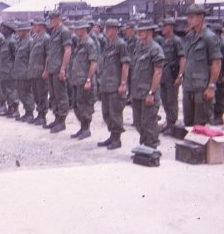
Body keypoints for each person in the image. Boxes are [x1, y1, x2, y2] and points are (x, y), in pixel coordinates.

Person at [182, 4, 223, 126]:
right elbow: (187, 59)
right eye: (188, 17)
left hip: (202, 88)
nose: (188, 20)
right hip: (188, 86)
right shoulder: (190, 36)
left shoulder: (210, 38)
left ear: (201, 18)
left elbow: (216, 62)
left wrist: (211, 87)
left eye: (192, 17)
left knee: (202, 125)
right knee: (188, 124)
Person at [131, 20, 165, 147]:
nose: (139, 33)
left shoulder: (155, 49)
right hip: (137, 92)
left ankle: (152, 147)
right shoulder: (139, 47)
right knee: (138, 122)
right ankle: (146, 144)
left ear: (150, 31)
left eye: (142, 31)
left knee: (149, 122)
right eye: (138, 31)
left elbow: (157, 72)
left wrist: (151, 92)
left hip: (148, 93)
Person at [97, 19, 130, 150]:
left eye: (110, 28)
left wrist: (123, 83)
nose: (106, 31)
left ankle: (117, 139)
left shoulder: (120, 44)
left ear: (116, 30)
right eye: (106, 28)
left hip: (115, 85)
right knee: (106, 113)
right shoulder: (108, 44)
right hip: (106, 84)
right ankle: (112, 136)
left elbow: (125, 64)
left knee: (115, 113)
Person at [43, 10, 72, 133]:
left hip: (58, 69)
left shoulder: (64, 32)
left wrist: (63, 69)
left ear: (58, 18)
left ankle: (62, 121)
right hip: (52, 69)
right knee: (53, 96)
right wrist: (46, 69)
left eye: (52, 19)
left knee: (61, 95)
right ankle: (56, 118)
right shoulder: (54, 32)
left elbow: (67, 51)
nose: (50, 21)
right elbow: (50, 53)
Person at [69, 20, 98, 140]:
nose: (75, 31)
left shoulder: (89, 43)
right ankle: (82, 128)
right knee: (77, 105)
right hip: (77, 79)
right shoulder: (80, 43)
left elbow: (93, 62)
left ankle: (86, 129)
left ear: (84, 29)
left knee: (85, 105)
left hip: (84, 80)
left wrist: (88, 80)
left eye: (78, 29)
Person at [159, 18, 186, 134]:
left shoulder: (177, 41)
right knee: (164, 99)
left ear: (170, 27)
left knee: (172, 100)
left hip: (172, 74)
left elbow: (183, 58)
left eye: (164, 26)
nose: (162, 29)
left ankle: (172, 123)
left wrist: (180, 76)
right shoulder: (163, 41)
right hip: (163, 75)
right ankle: (169, 121)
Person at [28, 18, 50, 126]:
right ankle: (39, 115)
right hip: (33, 71)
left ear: (42, 26)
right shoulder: (34, 38)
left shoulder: (46, 38)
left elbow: (48, 56)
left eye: (36, 25)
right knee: (36, 95)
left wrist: (46, 70)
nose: (34, 27)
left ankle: (43, 116)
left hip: (41, 71)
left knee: (42, 94)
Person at [210, 23, 224, 125]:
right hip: (215, 74)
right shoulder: (215, 43)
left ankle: (219, 117)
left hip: (221, 75)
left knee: (220, 96)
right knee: (215, 95)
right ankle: (214, 116)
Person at [11, 21, 34, 122]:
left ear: (25, 31)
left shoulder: (30, 42)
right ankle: (26, 112)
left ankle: (30, 113)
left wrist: (29, 72)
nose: (18, 33)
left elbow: (32, 59)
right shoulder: (21, 41)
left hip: (25, 72)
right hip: (19, 72)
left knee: (27, 93)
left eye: (20, 31)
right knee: (21, 93)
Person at [0, 21, 20, 118]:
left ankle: (16, 110)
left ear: (9, 30)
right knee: (6, 90)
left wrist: (15, 70)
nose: (2, 30)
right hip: (4, 70)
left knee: (12, 90)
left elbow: (16, 57)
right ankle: (10, 108)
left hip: (10, 71)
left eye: (4, 28)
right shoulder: (5, 40)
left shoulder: (12, 41)